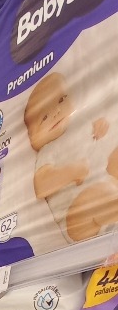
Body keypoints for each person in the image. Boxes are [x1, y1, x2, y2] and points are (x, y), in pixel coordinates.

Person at [24, 71, 118, 243]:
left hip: (107, 184)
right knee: (98, 196)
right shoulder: (47, 150)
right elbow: (41, 185)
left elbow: (101, 145)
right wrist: (72, 171)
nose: (56, 112)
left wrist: (100, 126)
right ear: (31, 137)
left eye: (61, 100)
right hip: (76, 219)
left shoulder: (80, 124)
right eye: (44, 117)